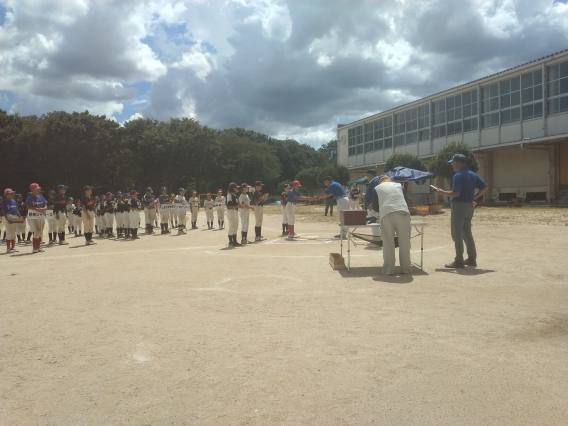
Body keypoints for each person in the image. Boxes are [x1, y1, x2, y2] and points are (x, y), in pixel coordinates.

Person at [436, 153, 488, 268]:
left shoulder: (458, 176)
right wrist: (474, 197)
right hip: (469, 206)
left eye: (453, 163)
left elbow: (456, 193)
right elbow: (484, 187)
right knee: (467, 233)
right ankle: (471, 258)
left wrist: (442, 192)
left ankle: (459, 260)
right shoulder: (472, 174)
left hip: (459, 206)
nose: (452, 165)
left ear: (458, 163)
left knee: (457, 233)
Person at [375, 175, 412, 275]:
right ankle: (406, 268)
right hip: (403, 212)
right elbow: (406, 201)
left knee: (388, 242)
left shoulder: (377, 188)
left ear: (380, 182)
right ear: (390, 180)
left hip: (387, 214)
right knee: (404, 242)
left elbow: (374, 205)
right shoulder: (399, 186)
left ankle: (388, 269)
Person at [26, 183, 47, 253]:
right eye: (36, 189)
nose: (38, 190)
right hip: (33, 215)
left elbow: (45, 204)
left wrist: (43, 208)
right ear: (32, 189)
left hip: (41, 215)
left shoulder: (41, 197)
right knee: (37, 230)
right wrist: (36, 209)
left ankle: (39, 246)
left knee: (40, 231)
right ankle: (34, 247)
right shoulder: (30, 197)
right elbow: (28, 206)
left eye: (38, 189)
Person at [1, 188, 22, 253]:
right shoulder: (4, 201)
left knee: (14, 232)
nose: (12, 194)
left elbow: (16, 209)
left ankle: (13, 247)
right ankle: (8, 248)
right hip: (8, 216)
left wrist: (19, 216)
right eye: (11, 193)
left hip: (14, 216)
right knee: (9, 232)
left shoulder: (14, 201)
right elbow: (3, 211)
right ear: (6, 194)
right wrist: (7, 218)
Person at [226, 182, 241, 247]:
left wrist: (239, 205)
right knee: (231, 227)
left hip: (235, 212)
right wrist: (238, 206)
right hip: (231, 212)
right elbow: (229, 206)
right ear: (232, 188)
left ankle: (235, 241)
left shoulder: (234, 196)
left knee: (235, 226)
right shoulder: (229, 195)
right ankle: (230, 241)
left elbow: (236, 204)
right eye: (235, 188)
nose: (237, 189)